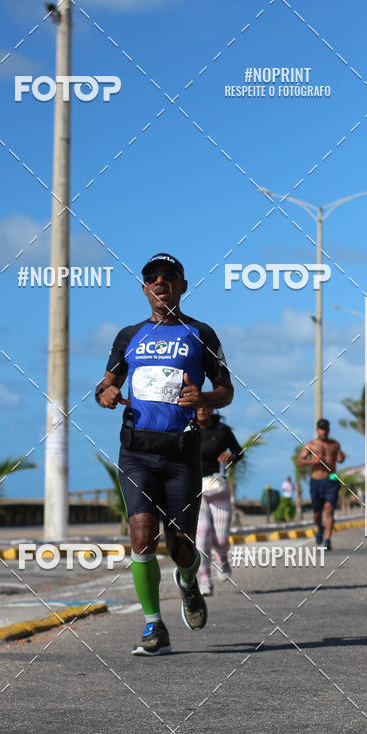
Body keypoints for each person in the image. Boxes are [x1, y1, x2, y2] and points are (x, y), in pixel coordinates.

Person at [96, 253, 234, 656]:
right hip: (136, 452)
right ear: (144, 289)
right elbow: (104, 385)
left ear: (182, 286)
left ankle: (188, 583)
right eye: (152, 277)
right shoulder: (128, 336)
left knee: (181, 547)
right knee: (141, 536)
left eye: (169, 276)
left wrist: (204, 398)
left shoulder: (201, 334)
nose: (160, 282)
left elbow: (226, 390)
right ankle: (154, 625)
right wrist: (106, 394)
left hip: (181, 456)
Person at [195, 407, 243, 596]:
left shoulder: (221, 430)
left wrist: (232, 457)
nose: (201, 410)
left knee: (221, 540)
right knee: (202, 537)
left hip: (218, 488)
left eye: (204, 406)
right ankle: (205, 579)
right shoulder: (187, 430)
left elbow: (239, 451)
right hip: (195, 490)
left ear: (211, 409)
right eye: (197, 407)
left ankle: (222, 557)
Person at [296, 418, 345, 550]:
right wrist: (313, 461)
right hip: (316, 481)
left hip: (331, 480)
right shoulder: (310, 445)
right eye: (321, 429)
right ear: (317, 430)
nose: (323, 431)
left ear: (328, 430)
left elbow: (340, 459)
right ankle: (320, 528)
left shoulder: (334, 444)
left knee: (329, 509)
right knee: (317, 514)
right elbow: (299, 461)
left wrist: (341, 457)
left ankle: (327, 539)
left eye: (325, 429)